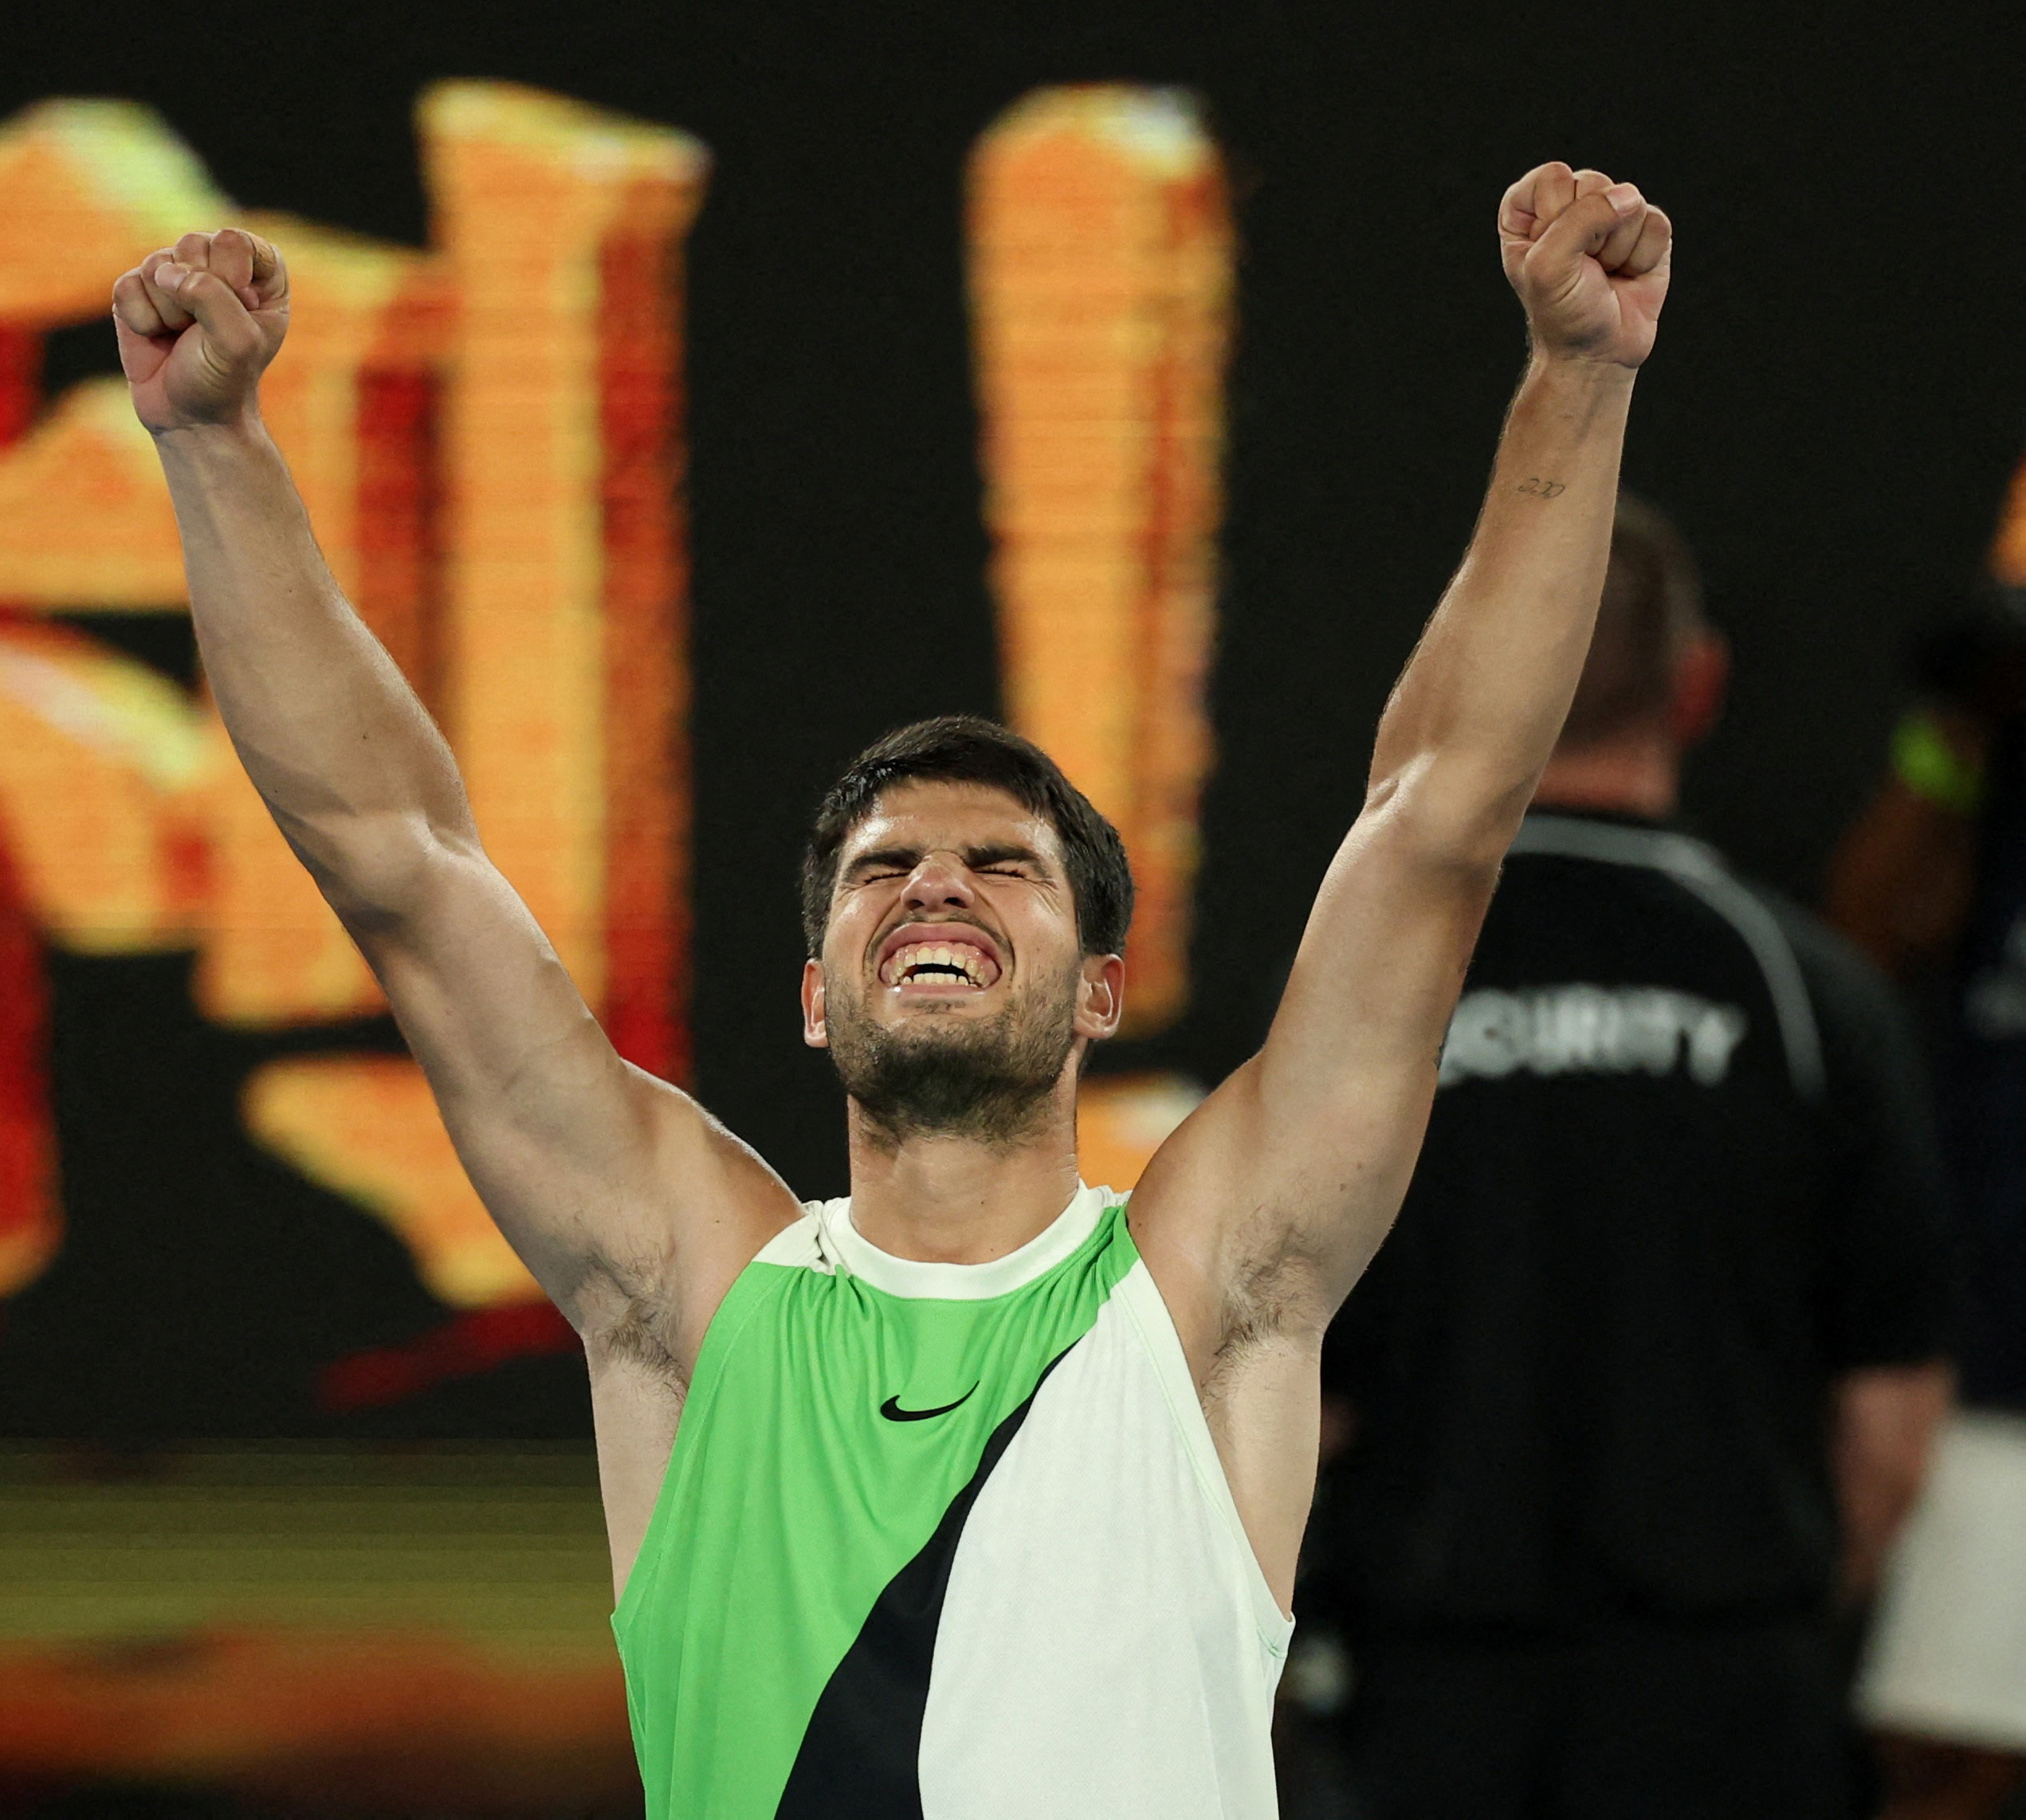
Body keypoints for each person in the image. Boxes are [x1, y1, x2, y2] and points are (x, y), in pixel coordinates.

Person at [112, 162, 1671, 1818]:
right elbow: (399, 858)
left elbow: (1435, 817)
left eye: (1003, 866)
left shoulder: (1212, 1297)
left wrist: (1578, 376)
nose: (934, 882)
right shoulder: (687, 1294)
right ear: (811, 995)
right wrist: (213, 443)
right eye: (882, 870)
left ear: (1100, 993)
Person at [1313, 496, 1957, 1819]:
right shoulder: (1806, 992)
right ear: (1699, 683)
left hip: (1438, 1703)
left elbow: (1290, 1398)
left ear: (1467, 677)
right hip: (1730, 1702)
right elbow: (1892, 1426)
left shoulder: (1366, 993)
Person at [1829, 590, 2026, 1820]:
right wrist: (1953, 733)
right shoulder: (1997, 766)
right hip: (2002, 1362)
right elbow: (1865, 932)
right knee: (1944, 1762)